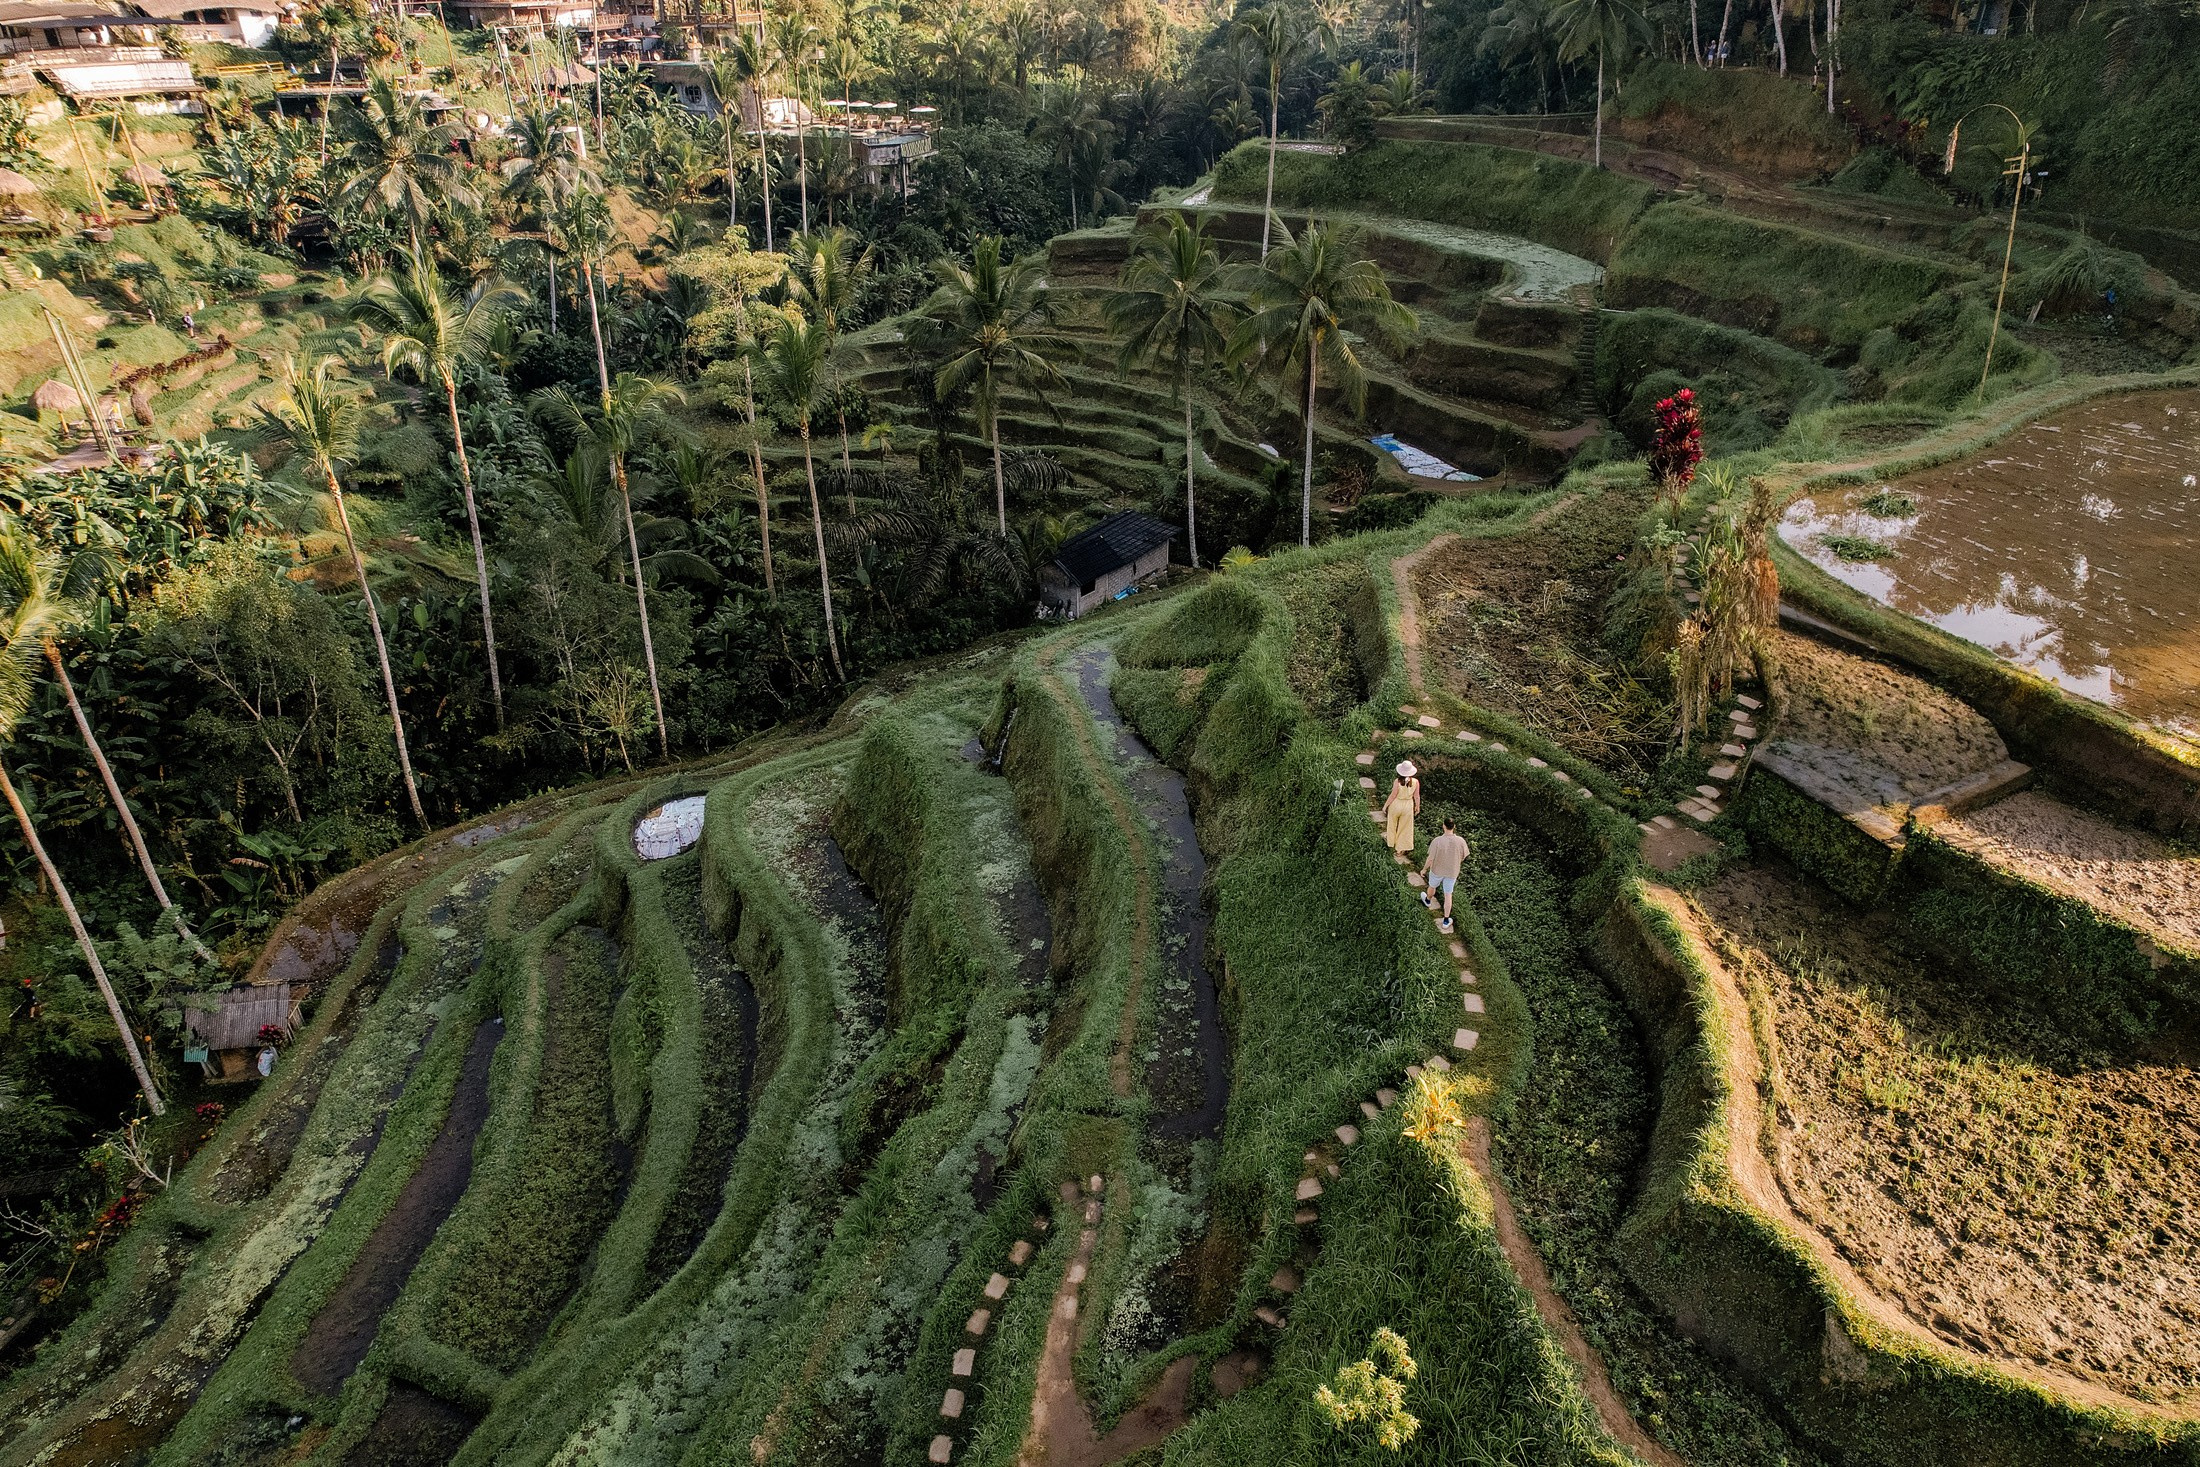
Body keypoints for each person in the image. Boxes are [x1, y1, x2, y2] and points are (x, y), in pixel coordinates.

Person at [1420, 817, 1469, 935]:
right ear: (1454, 826)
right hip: (1452, 871)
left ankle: (1428, 900)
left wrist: (1424, 869)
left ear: (1443, 826)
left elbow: (1430, 858)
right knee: (1448, 894)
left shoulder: (1437, 841)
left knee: (1432, 886)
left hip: (1437, 869)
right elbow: (1464, 855)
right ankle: (1446, 920)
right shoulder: (1461, 841)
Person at [1382, 760, 1420, 861]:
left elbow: (1393, 795)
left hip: (1396, 804)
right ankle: (1400, 849)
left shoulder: (1397, 781)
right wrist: (1417, 807)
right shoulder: (1416, 782)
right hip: (1408, 805)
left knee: (1392, 824)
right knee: (1405, 827)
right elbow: (1416, 796)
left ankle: (1391, 842)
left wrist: (1385, 806)